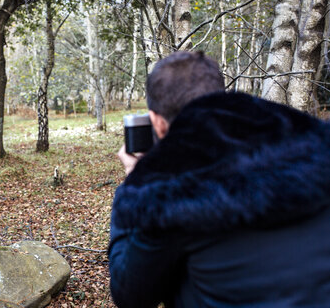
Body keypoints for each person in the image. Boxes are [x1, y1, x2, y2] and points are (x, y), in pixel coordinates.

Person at [109, 51, 330, 307]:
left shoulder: (170, 191)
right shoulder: (311, 144)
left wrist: (135, 185)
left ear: (157, 122)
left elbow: (129, 295)